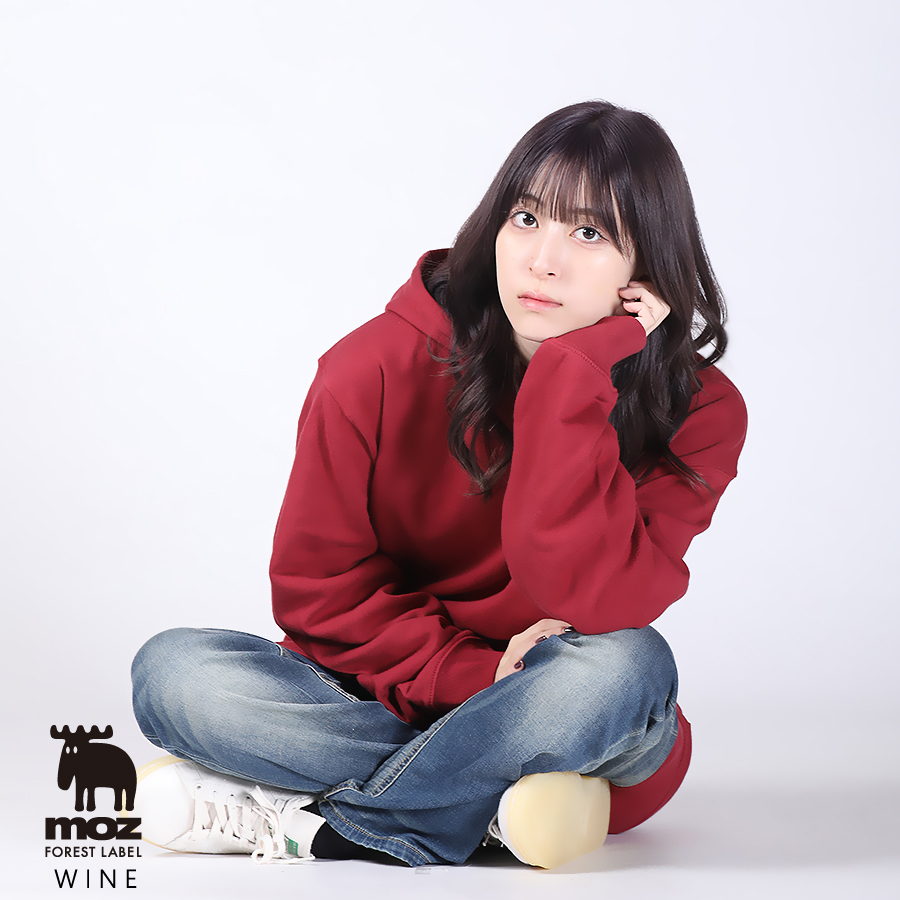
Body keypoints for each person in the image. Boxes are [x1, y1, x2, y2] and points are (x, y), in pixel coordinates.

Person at [130, 100, 747, 869]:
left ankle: (329, 824)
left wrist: (570, 382)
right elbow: (320, 595)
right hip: (384, 691)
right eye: (526, 219)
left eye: (589, 234)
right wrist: (479, 674)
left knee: (628, 667)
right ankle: (493, 803)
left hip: (566, 696)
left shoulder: (702, 412)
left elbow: (601, 608)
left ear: (646, 268)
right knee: (174, 674)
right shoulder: (370, 368)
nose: (542, 260)